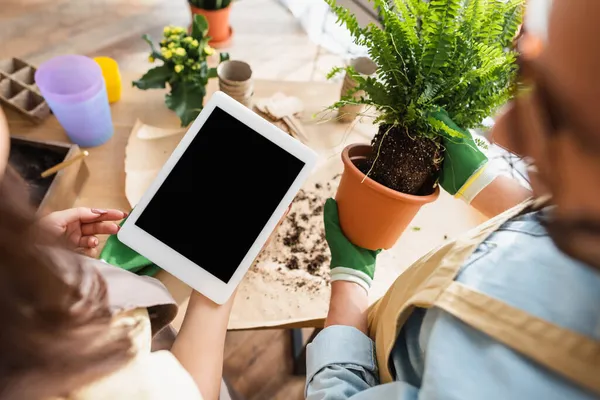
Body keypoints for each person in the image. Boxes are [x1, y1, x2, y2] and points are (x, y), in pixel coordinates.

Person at [306, 0, 600, 398]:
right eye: (525, 74)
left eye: (552, 113)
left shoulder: (507, 376)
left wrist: (349, 286)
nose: (500, 135)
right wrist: (494, 189)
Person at [0, 109, 235, 399]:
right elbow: (195, 390)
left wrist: (33, 252)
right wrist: (223, 270)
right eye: (5, 179)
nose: (19, 188)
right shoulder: (67, 376)